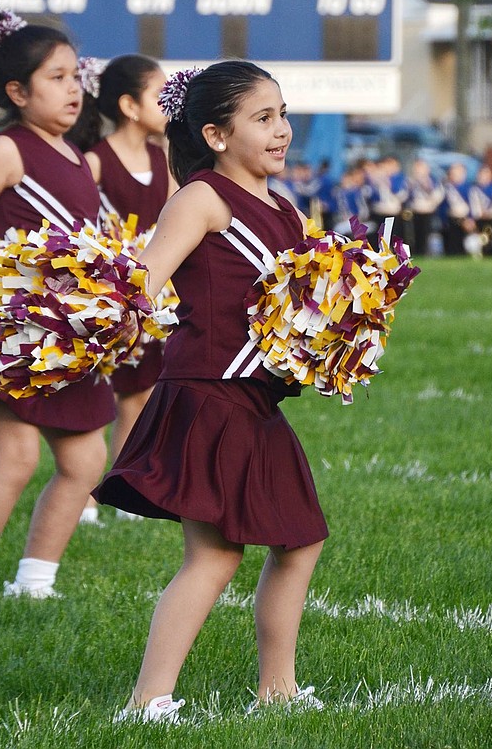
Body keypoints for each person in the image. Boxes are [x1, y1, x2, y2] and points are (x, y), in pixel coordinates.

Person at [94, 60, 328, 722]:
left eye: (282, 113)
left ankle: (276, 690)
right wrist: (94, 309)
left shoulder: (287, 209)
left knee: (300, 535)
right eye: (263, 118)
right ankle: (147, 700)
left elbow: (296, 311)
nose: (282, 129)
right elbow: (144, 280)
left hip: (255, 400)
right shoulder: (201, 197)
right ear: (216, 135)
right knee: (216, 554)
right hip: (206, 395)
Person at [0, 0, 114, 600]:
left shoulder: (78, 153)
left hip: (71, 334)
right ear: (18, 93)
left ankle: (33, 584)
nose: (74, 89)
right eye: (57, 79)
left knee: (85, 462)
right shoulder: (6, 150)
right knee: (16, 460)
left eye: (76, 76)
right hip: (18, 334)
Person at [69, 55, 176, 524]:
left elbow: (176, 216)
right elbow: (72, 227)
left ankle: (126, 484)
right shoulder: (95, 160)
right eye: (160, 95)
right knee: (99, 395)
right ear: (130, 105)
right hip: (104, 295)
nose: (170, 104)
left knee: (143, 393)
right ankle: (84, 492)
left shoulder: (161, 159)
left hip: (149, 296)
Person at [405, 158, 445, 256]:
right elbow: (406, 195)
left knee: (427, 233)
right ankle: (416, 251)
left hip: (428, 210)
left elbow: (438, 195)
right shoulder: (410, 181)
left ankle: (426, 251)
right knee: (415, 233)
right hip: (415, 210)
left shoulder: (433, 181)